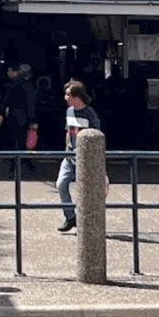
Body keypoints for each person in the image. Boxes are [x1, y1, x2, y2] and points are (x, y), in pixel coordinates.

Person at [56, 79, 101, 233]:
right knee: (61, 184)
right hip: (70, 155)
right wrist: (66, 150)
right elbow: (68, 131)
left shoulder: (90, 114)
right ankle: (70, 217)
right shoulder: (69, 111)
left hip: (84, 157)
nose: (65, 97)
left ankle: (85, 221)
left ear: (77, 97)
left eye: (68, 95)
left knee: (85, 191)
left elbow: (96, 137)